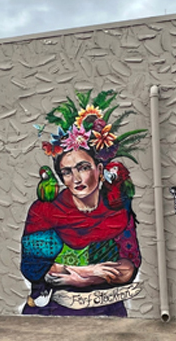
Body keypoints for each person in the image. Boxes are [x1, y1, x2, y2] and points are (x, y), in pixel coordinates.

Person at [20, 92, 147, 317]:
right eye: (67, 172)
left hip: (107, 312)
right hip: (51, 314)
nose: (76, 179)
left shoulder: (117, 210)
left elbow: (129, 266)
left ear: (99, 170)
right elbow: (38, 268)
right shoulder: (45, 212)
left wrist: (80, 274)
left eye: (83, 167)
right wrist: (91, 271)